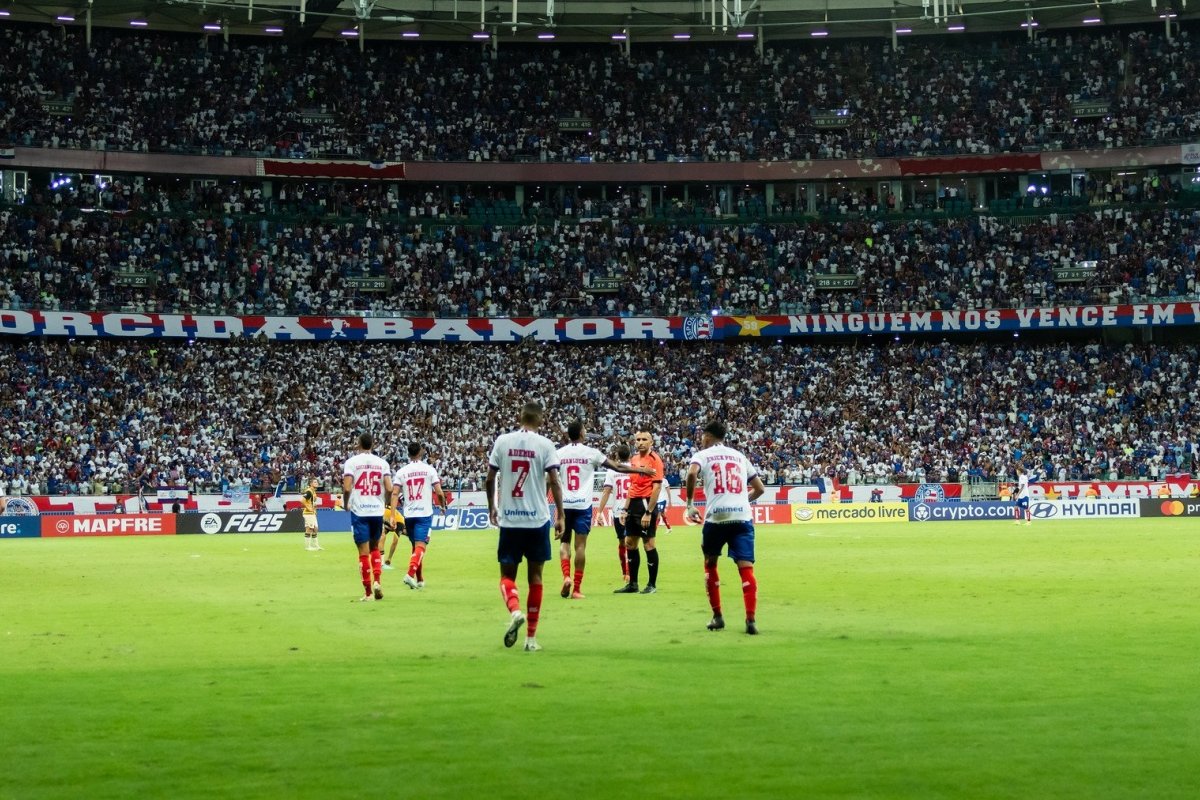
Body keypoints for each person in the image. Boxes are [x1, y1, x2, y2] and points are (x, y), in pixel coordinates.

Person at [486, 401, 564, 652]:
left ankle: (515, 610)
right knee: (536, 577)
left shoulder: (502, 441)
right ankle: (530, 639)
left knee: (507, 576)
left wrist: (491, 507)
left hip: (510, 520)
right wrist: (560, 515)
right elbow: (554, 481)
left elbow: (490, 478)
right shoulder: (545, 444)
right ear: (540, 419)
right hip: (537, 520)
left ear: (520, 417)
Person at [685, 419, 766, 635]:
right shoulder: (739, 456)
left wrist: (690, 505)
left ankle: (718, 617)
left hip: (716, 518)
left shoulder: (702, 455)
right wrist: (741, 501)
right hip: (742, 517)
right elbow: (760, 488)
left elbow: (691, 473)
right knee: (746, 568)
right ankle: (750, 620)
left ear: (707, 437)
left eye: (702, 437)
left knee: (710, 563)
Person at [555, 421, 652, 600]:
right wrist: (641, 470)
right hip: (583, 506)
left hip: (565, 505)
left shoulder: (558, 454)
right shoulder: (591, 453)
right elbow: (617, 466)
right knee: (580, 546)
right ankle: (576, 589)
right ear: (582, 434)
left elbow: (550, 479)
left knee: (564, 543)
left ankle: (566, 576)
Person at [342, 433, 396, 602]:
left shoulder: (351, 462)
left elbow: (347, 488)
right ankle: (377, 582)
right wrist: (384, 503)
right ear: (372, 444)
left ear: (358, 444)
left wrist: (346, 504)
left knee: (363, 552)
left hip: (360, 511)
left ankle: (368, 593)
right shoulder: (382, 463)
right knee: (375, 548)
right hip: (376, 512)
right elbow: (389, 488)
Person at [614, 429, 665, 595]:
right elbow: (632, 486)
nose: (641, 442)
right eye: (638, 439)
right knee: (630, 542)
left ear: (651, 442)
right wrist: (624, 509)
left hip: (646, 504)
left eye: (644, 439)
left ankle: (652, 584)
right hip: (633, 504)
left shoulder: (655, 460)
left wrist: (649, 512)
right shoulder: (634, 459)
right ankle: (633, 584)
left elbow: (657, 488)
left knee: (648, 543)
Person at [393, 442, 448, 590]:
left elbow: (395, 493)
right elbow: (439, 492)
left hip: (409, 515)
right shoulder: (429, 470)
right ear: (421, 453)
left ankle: (420, 579)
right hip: (424, 514)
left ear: (408, 454)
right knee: (421, 546)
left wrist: (392, 514)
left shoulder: (401, 472)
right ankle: (409, 574)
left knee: (415, 546)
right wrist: (442, 506)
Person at [596, 443, 632, 585]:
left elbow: (606, 491)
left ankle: (625, 573)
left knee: (622, 542)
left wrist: (599, 511)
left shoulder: (612, 471)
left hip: (618, 512)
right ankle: (630, 572)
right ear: (630, 455)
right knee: (632, 542)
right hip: (632, 510)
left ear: (617, 456)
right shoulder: (634, 468)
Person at [381, 506, 406, 571]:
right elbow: (394, 542)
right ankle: (381, 562)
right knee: (381, 537)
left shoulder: (399, 521)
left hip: (385, 516)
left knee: (380, 537)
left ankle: (377, 559)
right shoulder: (400, 523)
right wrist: (389, 558)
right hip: (383, 517)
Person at [302, 477, 323, 550]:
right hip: (308, 513)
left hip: (312, 513)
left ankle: (316, 546)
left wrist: (314, 508)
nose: (316, 483)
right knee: (310, 528)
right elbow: (302, 500)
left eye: (317, 482)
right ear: (311, 484)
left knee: (315, 528)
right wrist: (309, 508)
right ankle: (307, 547)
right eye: (315, 482)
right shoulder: (309, 491)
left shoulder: (313, 492)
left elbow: (312, 502)